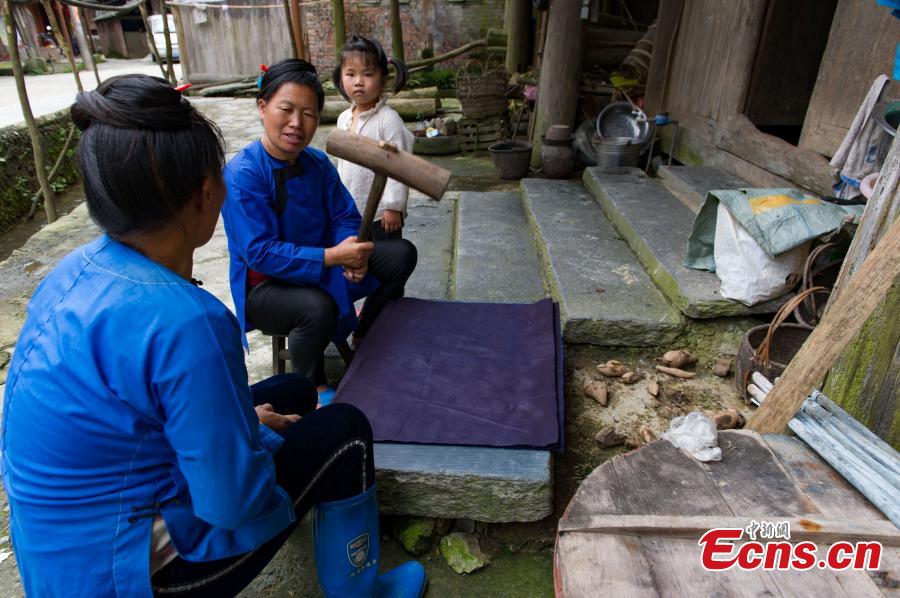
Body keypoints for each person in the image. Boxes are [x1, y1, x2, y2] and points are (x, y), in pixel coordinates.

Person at [0, 74, 426, 598]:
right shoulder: (186, 320)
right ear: (207, 195)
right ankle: (362, 588)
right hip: (125, 574)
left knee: (292, 392)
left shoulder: (72, 270)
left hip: (66, 553)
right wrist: (258, 441)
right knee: (345, 430)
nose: (297, 123)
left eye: (309, 113)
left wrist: (246, 422)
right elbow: (234, 503)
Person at [221, 59, 417, 404]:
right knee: (318, 307)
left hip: (324, 265)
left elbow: (344, 214)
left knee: (401, 254)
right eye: (287, 109)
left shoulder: (316, 162)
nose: (297, 123)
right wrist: (331, 256)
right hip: (266, 286)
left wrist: (350, 248)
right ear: (263, 108)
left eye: (309, 114)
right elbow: (260, 252)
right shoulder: (243, 173)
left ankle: (365, 326)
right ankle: (311, 383)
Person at [332, 35, 415, 241]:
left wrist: (393, 206)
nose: (358, 82)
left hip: (381, 216)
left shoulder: (388, 120)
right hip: (350, 210)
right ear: (341, 78)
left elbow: (400, 165)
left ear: (382, 78)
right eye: (350, 74)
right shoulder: (343, 118)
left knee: (384, 262)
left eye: (367, 74)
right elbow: (342, 165)